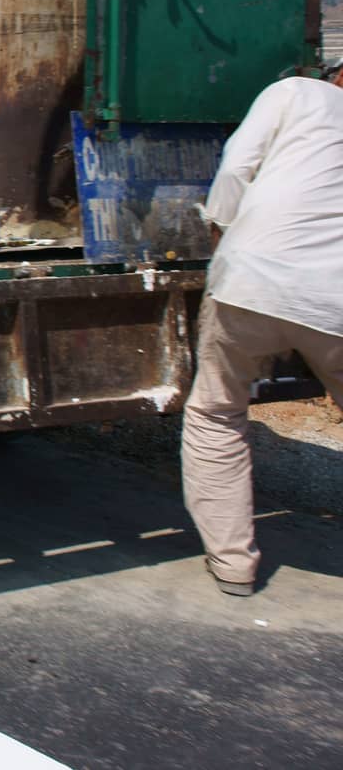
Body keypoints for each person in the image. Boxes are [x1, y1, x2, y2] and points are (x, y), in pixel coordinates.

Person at [185, 56, 343, 595]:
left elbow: (234, 169)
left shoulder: (297, 92)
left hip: (251, 277)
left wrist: (219, 242)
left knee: (215, 412)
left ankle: (233, 565)